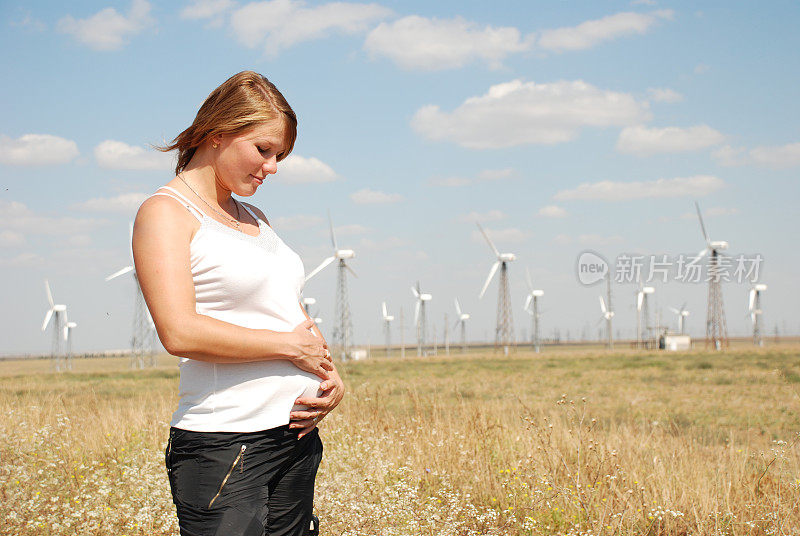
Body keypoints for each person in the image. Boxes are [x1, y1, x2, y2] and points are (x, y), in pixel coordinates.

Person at [132, 70, 345, 536]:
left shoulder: (256, 217)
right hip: (226, 442)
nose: (273, 167)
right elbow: (179, 331)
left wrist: (330, 375)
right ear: (217, 133)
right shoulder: (165, 213)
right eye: (263, 150)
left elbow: (287, 310)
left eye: (280, 155)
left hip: (295, 436)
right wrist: (290, 350)